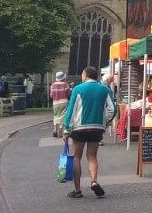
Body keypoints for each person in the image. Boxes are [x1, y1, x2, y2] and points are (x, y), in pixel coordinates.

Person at [61, 65, 116, 198]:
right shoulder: (104, 89)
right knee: (92, 156)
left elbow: (71, 110)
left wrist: (66, 129)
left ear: (85, 75)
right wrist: (105, 121)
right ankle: (94, 181)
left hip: (79, 128)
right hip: (96, 127)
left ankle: (77, 190)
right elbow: (112, 109)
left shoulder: (78, 89)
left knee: (76, 157)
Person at [49, 71, 71, 138]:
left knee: (56, 115)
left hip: (55, 103)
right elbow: (68, 94)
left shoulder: (52, 85)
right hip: (64, 102)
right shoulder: (65, 85)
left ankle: (55, 129)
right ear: (63, 77)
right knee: (63, 116)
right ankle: (60, 129)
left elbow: (51, 95)